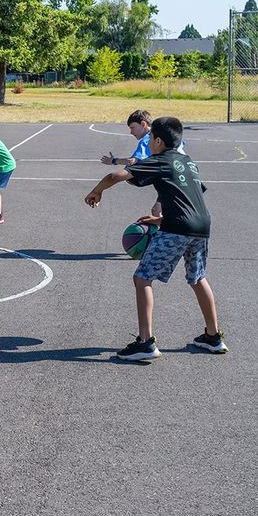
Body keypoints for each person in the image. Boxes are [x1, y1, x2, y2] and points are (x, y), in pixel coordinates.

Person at [84, 116, 227, 361]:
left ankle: (145, 342)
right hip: (201, 226)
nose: (148, 142)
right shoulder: (188, 163)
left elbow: (116, 176)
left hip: (177, 230)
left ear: (158, 141)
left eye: (150, 138)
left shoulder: (159, 160)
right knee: (198, 277)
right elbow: (189, 199)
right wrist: (160, 220)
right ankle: (213, 337)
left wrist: (96, 191)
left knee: (142, 279)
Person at [100, 109, 187, 218]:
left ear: (143, 124)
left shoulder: (148, 139)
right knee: (157, 211)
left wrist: (113, 161)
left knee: (164, 213)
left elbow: (132, 161)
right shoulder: (165, 135)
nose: (131, 132)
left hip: (174, 179)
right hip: (184, 174)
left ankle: (167, 232)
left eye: (133, 128)